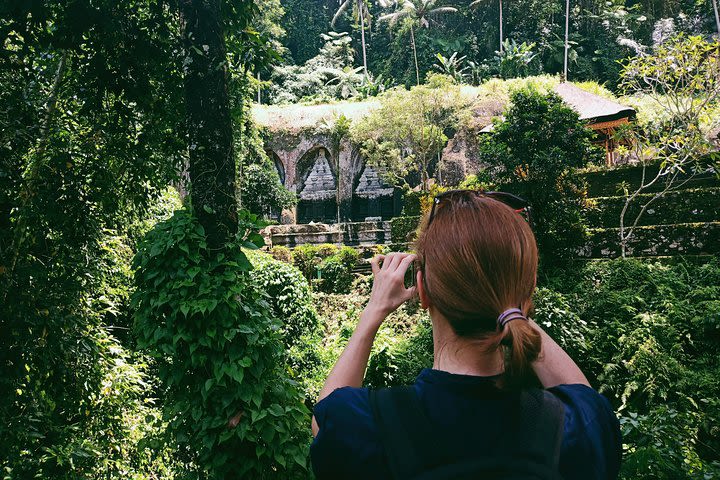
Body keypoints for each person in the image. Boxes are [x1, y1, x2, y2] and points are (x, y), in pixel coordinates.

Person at [310, 190, 622, 480]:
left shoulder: (368, 424)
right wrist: (510, 301)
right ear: (526, 293)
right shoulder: (574, 428)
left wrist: (373, 312)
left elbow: (322, 421)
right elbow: (586, 400)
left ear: (422, 291)